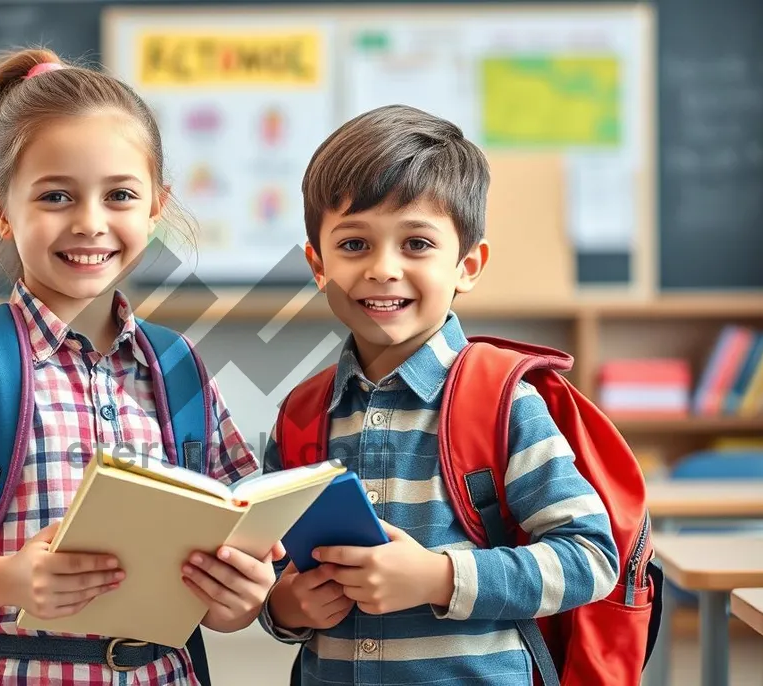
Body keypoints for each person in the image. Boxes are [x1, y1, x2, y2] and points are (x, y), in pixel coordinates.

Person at [0, 47, 279, 685]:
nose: (89, 223)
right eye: (56, 196)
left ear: (155, 208)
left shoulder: (179, 371)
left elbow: (226, 579)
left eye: (120, 196)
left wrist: (239, 598)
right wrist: (10, 577)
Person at [257, 104, 620, 685]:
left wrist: (437, 577)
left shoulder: (502, 403)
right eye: (353, 245)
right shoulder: (303, 415)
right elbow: (271, 570)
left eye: (417, 243)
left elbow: (592, 558)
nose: (383, 268)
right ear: (317, 264)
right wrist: (286, 609)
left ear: (467, 264)